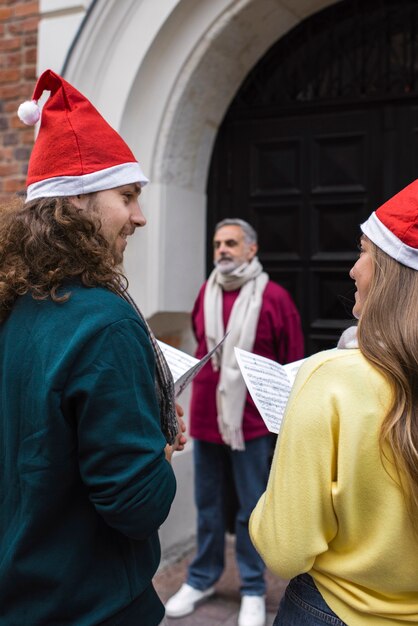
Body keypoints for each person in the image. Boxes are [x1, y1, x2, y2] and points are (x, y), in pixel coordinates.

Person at [0, 69, 186, 626]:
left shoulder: (13, 303)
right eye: (127, 196)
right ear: (75, 203)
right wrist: (160, 447)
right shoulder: (103, 321)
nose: (140, 216)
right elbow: (136, 504)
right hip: (93, 604)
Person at [249, 180, 418, 625]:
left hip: (336, 610)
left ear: (392, 272)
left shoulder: (330, 378)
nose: (353, 270)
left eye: (364, 252)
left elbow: (285, 549)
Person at [166, 218, 304, 626]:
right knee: (207, 506)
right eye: (217, 244)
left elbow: (290, 359)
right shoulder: (205, 293)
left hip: (252, 423)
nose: (222, 250)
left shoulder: (275, 298)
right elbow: (201, 340)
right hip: (208, 417)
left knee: (251, 509)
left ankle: (252, 588)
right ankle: (202, 578)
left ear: (251, 249)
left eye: (231, 243)